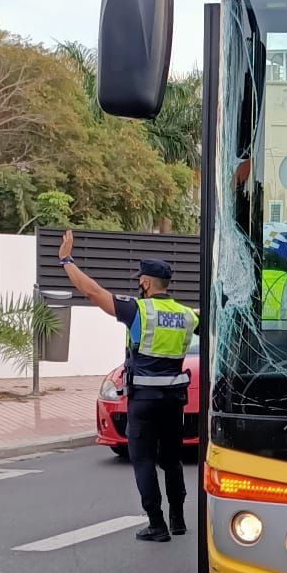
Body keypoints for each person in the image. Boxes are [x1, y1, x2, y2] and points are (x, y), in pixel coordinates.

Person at [58, 231, 198, 542]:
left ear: (146, 283)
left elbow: (93, 292)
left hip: (144, 401)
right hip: (175, 401)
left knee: (144, 459)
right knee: (171, 460)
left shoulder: (138, 310)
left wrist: (66, 261)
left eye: (140, 280)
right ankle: (178, 519)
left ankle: (157, 524)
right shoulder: (187, 316)